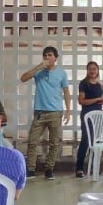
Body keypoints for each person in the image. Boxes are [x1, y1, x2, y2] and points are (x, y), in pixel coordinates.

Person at [19, 46, 72, 180]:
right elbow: (23, 78)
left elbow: (66, 92)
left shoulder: (61, 73)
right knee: (32, 141)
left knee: (54, 143)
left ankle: (49, 169)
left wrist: (68, 110)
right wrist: (38, 66)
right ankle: (31, 169)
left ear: (56, 58)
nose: (47, 58)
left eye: (49, 55)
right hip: (40, 112)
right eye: (45, 56)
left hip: (55, 112)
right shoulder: (39, 71)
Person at [75, 61, 103, 179]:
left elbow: (99, 100)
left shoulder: (99, 84)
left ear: (98, 70)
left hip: (98, 116)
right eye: (90, 69)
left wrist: (102, 101)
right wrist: (97, 99)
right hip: (87, 115)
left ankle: (94, 167)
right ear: (87, 70)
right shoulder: (84, 84)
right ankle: (79, 168)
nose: (92, 71)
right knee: (85, 140)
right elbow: (81, 101)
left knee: (96, 141)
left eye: (94, 69)